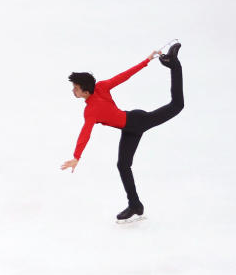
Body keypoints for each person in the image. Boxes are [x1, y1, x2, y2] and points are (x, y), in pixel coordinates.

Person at [61, 43, 183, 222]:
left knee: (177, 105)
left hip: (139, 121)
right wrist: (77, 156)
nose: (73, 90)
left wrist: (146, 61)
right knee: (123, 165)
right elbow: (85, 132)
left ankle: (174, 64)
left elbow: (124, 76)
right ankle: (135, 205)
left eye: (76, 88)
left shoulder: (94, 104)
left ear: (86, 91)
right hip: (129, 129)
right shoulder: (96, 97)